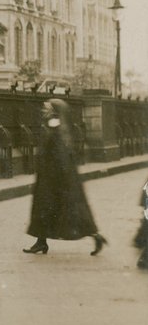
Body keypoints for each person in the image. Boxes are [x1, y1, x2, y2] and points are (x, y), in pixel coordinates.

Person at [23, 98, 107, 256]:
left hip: (54, 177)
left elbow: (56, 150)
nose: (43, 110)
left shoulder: (54, 124)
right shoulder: (57, 125)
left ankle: (96, 237)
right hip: (52, 175)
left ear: (54, 111)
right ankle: (41, 242)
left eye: (46, 108)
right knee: (47, 209)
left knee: (61, 210)